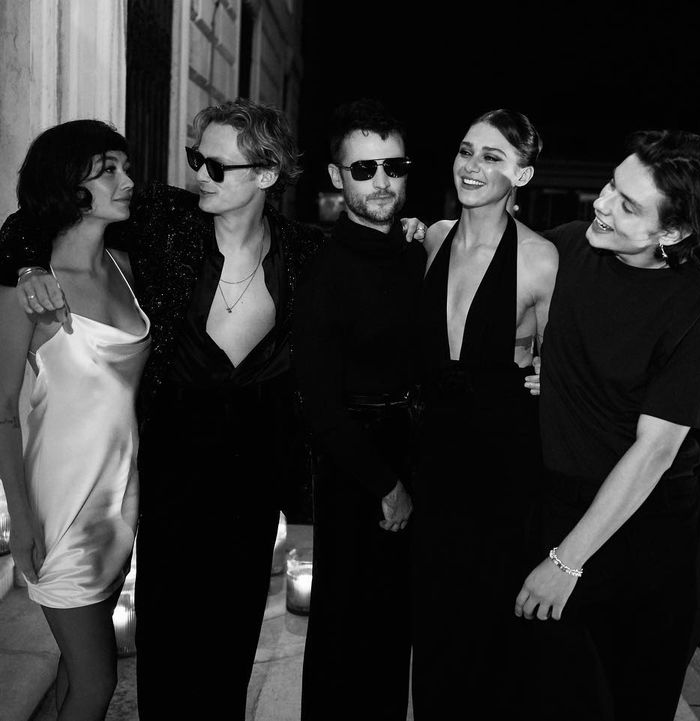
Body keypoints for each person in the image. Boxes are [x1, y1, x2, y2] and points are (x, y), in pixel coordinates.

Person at [0, 99, 325, 718]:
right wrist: (25, 263)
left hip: (248, 489)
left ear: (267, 173)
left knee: (229, 654)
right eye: (196, 160)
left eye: (217, 167)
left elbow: (371, 270)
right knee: (155, 658)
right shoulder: (168, 224)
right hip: (164, 482)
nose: (199, 176)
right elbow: (42, 211)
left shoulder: (303, 253)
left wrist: (417, 233)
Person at [516, 129, 700, 721]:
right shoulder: (566, 247)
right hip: (556, 508)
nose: (602, 204)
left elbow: (654, 453)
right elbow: (488, 280)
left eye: (628, 205)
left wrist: (566, 563)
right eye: (611, 185)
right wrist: (427, 235)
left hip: (646, 542)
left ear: (673, 232)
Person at [0, 119, 147, 720]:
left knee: (76, 668)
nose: (127, 181)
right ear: (68, 185)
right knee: (97, 684)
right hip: (63, 505)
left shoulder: (127, 265)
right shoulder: (26, 291)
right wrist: (21, 519)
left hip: (121, 502)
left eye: (124, 167)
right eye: (108, 171)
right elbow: (3, 413)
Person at [412, 109, 557, 719]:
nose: (471, 166)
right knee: (432, 618)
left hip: (501, 468)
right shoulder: (433, 237)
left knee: (488, 625)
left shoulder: (541, 259)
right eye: (466, 151)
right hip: (431, 455)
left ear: (521, 174)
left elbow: (562, 362)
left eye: (492, 157)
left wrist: (554, 377)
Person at [294, 99, 423, 721]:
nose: (381, 181)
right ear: (336, 176)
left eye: (393, 166)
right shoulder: (324, 270)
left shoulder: (419, 251)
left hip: (415, 447)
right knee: (347, 627)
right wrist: (385, 486)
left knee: (395, 628)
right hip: (357, 465)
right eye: (364, 168)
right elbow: (318, 402)